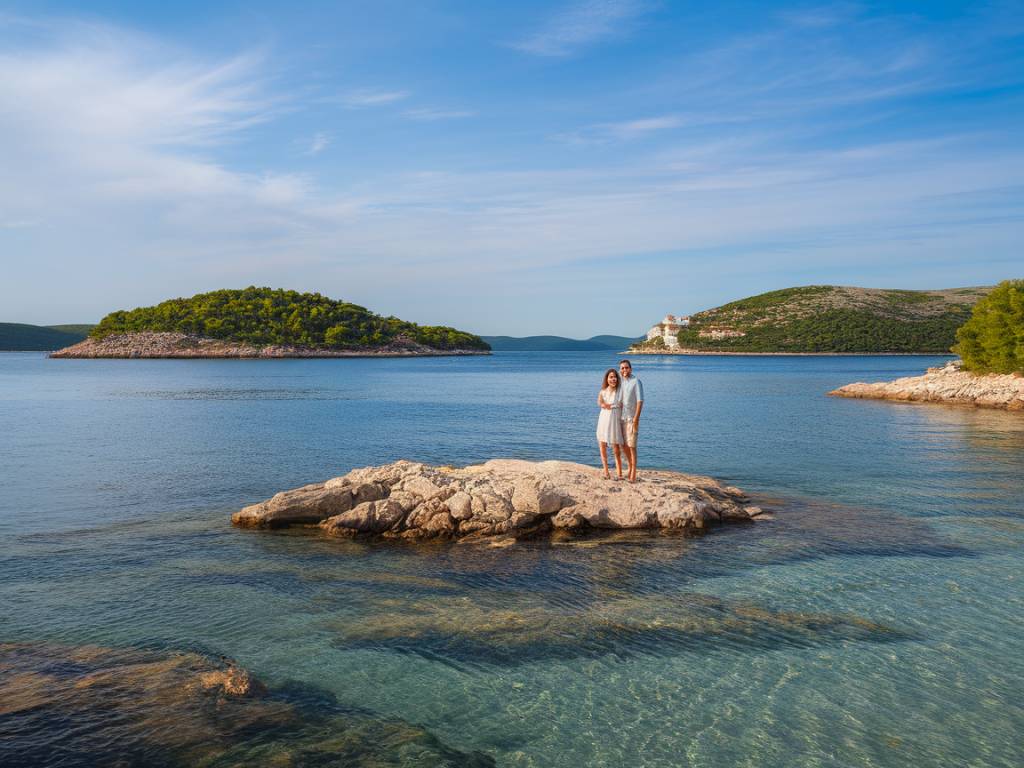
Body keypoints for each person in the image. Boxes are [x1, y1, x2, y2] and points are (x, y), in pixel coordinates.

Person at [596, 368, 625, 480]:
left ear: (617, 379)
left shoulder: (620, 391)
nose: (613, 379)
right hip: (603, 419)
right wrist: (603, 405)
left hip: (615, 421)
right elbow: (599, 402)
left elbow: (623, 404)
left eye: (615, 377)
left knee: (616, 448)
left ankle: (619, 474)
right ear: (607, 379)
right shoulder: (603, 391)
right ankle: (606, 472)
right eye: (611, 377)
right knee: (602, 445)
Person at [618, 359, 644, 483]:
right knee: (623, 445)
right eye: (622, 368)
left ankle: (633, 471)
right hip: (621, 418)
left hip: (631, 419)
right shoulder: (620, 382)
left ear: (631, 369)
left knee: (632, 445)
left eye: (626, 368)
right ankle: (629, 466)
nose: (624, 370)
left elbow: (640, 401)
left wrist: (636, 419)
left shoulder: (636, 381)